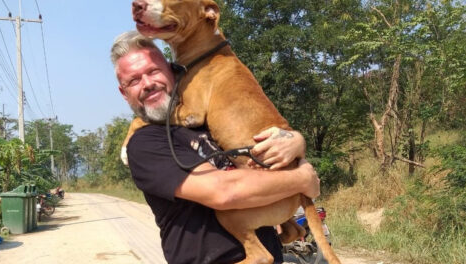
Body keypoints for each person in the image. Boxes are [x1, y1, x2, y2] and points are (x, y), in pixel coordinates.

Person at [111, 31, 320, 264]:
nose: (148, 83)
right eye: (134, 80)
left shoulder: (204, 120)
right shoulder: (145, 143)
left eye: (153, 71)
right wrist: (302, 179)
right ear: (124, 92)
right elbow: (223, 191)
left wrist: (296, 140)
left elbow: (263, 140)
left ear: (172, 70)